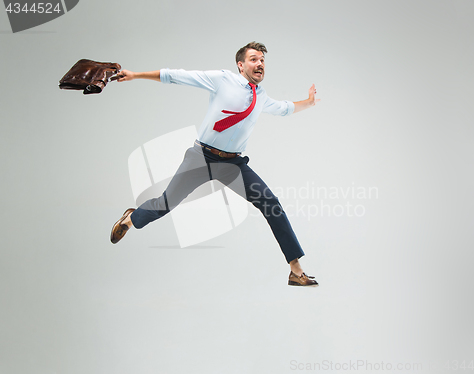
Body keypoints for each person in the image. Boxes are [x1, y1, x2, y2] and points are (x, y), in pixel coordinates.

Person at [110, 42, 320, 287]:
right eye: (253, 59)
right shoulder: (222, 80)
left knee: (271, 203)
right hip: (202, 157)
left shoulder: (260, 97)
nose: (260, 63)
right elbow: (176, 76)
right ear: (240, 65)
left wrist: (309, 101)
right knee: (165, 204)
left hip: (233, 165)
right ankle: (130, 219)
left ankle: (296, 271)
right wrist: (136, 75)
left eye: (262, 60)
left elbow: (284, 109)